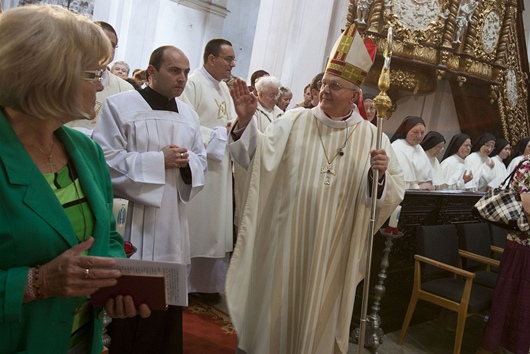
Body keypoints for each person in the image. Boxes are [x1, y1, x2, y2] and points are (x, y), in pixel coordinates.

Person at [225, 24, 405, 353]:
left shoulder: (371, 137)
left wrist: (377, 179)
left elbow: (390, 192)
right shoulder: (294, 122)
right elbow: (255, 157)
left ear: (355, 95)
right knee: (275, 315)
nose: (325, 90)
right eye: (324, 84)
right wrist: (244, 122)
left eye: (335, 86)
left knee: (319, 316)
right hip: (286, 241)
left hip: (333, 249)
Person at [0, 5, 150, 353]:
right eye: (94, 73)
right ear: (49, 75)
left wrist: (115, 283)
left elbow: (108, 234)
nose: (102, 85)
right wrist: (36, 283)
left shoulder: (84, 149)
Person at [92, 45, 207, 354]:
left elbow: (201, 161)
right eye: (174, 71)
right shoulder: (120, 106)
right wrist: (158, 160)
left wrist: (188, 165)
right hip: (131, 221)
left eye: (185, 72)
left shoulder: (190, 115)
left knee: (165, 313)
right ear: (152, 72)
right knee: (128, 306)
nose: (182, 78)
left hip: (172, 223)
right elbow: (103, 159)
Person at [479, 119, 530, 354]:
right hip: (522, 244)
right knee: (512, 298)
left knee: (525, 300)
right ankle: (491, 346)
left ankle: (512, 344)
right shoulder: (527, 166)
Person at [179, 38, 238, 300]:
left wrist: (232, 130)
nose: (232, 64)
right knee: (197, 226)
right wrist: (217, 134)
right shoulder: (193, 83)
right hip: (201, 166)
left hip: (221, 165)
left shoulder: (224, 88)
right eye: (228, 59)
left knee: (215, 227)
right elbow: (184, 122)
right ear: (211, 59)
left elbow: (231, 120)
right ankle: (187, 285)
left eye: (233, 59)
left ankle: (207, 284)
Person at [65, 21, 134, 135]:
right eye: (102, 42)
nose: (108, 48)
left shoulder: (126, 89)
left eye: (112, 45)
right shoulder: (63, 77)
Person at [390, 116, 434, 190]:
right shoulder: (397, 147)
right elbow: (399, 180)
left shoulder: (419, 147)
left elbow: (428, 175)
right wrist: (417, 187)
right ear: (406, 131)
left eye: (422, 133)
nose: (419, 136)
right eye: (415, 132)